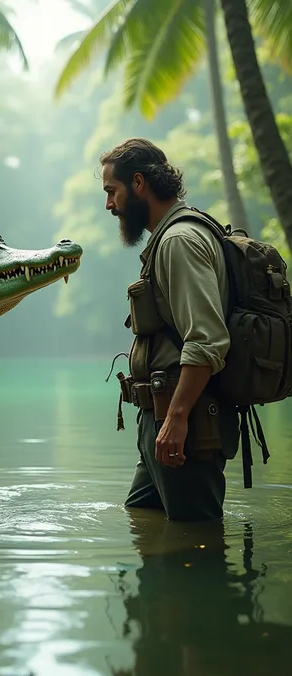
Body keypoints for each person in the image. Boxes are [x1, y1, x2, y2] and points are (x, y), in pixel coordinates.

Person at [100, 138, 239, 521]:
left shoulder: (180, 241)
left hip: (187, 424)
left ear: (139, 183)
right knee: (143, 519)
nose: (109, 204)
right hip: (163, 422)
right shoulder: (169, 236)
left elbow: (207, 340)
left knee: (195, 542)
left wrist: (175, 419)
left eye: (112, 191)